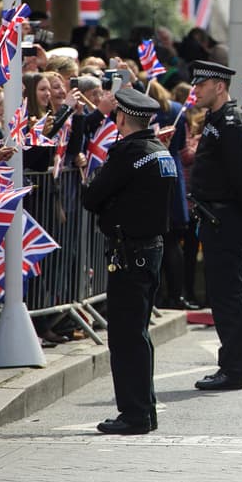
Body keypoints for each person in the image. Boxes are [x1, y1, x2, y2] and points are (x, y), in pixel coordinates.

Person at [81, 88, 178, 435]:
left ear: (122, 118)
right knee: (138, 333)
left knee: (125, 336)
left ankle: (134, 414)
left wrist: (86, 177)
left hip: (130, 253)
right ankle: (144, 410)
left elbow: (93, 197)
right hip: (150, 249)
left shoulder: (129, 153)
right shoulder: (160, 152)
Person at [187, 60, 242, 392]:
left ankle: (233, 369)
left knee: (229, 296)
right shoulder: (222, 120)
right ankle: (239, 367)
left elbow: (241, 174)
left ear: (219, 86)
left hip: (225, 218)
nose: (196, 91)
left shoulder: (230, 123)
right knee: (238, 292)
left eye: (201, 85)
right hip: (225, 216)